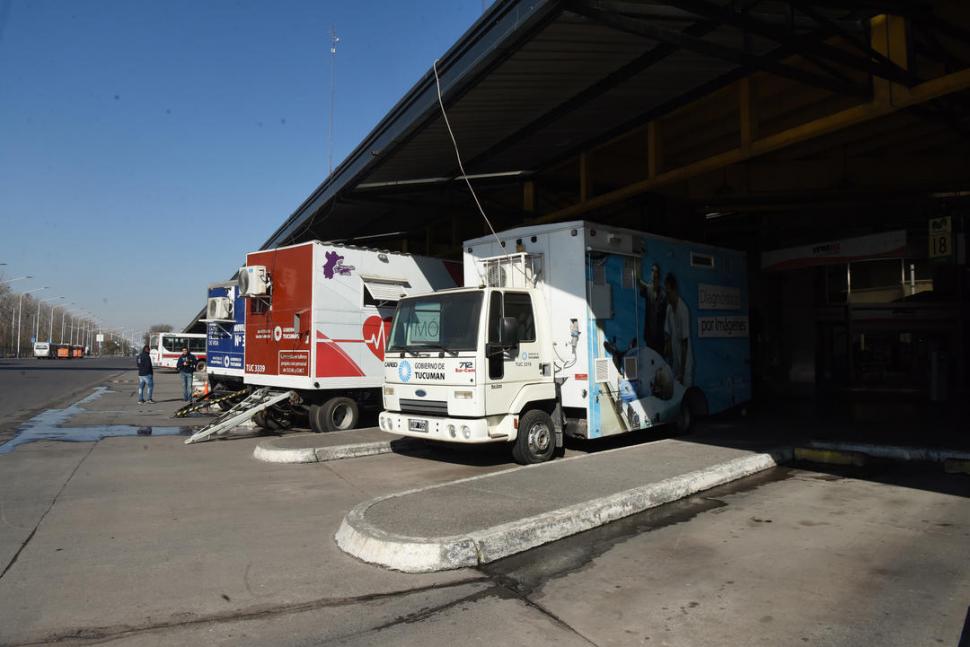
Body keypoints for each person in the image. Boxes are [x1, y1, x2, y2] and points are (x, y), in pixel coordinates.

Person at [663, 273, 693, 387]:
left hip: (685, 367)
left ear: (675, 290)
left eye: (668, 292)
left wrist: (682, 373)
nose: (667, 296)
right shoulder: (669, 309)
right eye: (665, 292)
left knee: (686, 394)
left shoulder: (683, 311)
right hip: (675, 365)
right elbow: (668, 335)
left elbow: (685, 345)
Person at [638, 262, 666, 353]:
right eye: (652, 271)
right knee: (650, 359)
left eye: (655, 271)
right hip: (649, 336)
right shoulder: (648, 290)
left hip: (660, 338)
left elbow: (667, 317)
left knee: (659, 360)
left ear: (659, 275)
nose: (653, 273)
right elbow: (639, 282)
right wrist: (638, 266)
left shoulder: (663, 294)